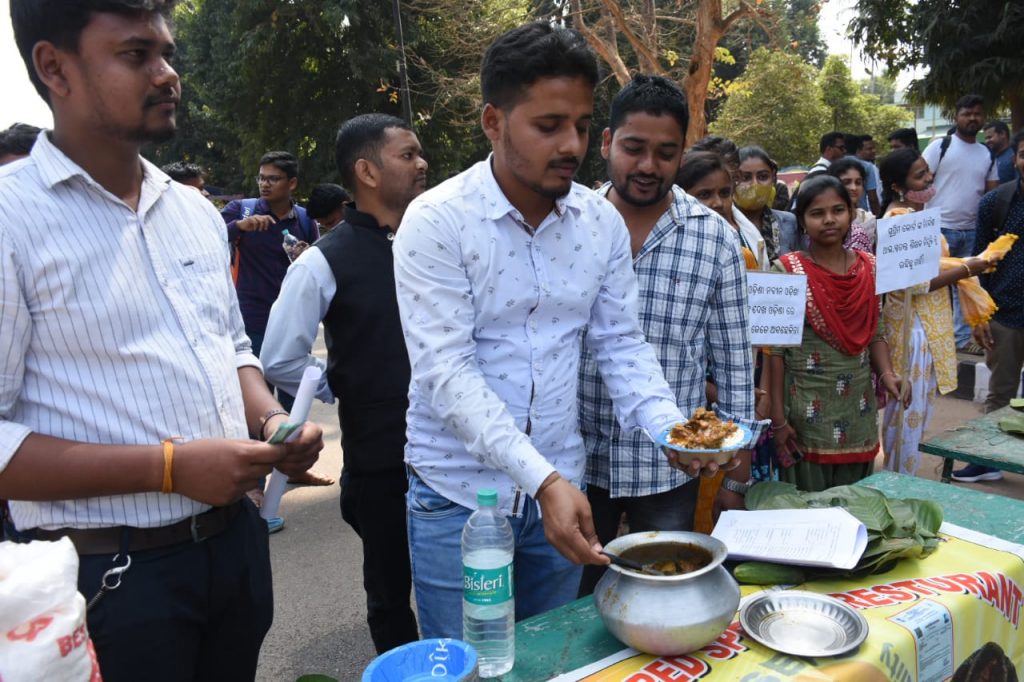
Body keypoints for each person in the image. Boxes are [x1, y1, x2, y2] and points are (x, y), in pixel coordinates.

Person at [2, 2, 324, 679]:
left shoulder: (192, 214)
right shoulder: (9, 219)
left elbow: (229, 344)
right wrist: (170, 468)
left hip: (231, 551)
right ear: (53, 67)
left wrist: (270, 422)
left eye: (167, 53)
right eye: (136, 55)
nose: (168, 74)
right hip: (110, 576)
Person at [393, 22, 705, 640]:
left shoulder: (599, 224)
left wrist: (674, 428)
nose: (572, 144)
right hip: (458, 496)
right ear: (492, 121)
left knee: (549, 660)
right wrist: (545, 480)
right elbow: (447, 374)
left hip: (560, 497)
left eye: (583, 126)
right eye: (548, 125)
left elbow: (621, 344)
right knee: (464, 666)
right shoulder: (437, 222)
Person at [577, 75, 760, 596]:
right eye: (634, 148)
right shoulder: (571, 222)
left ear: (682, 153)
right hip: (573, 455)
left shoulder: (715, 237)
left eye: (665, 152)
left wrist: (737, 463)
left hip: (666, 463)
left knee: (664, 588)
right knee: (573, 596)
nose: (647, 166)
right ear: (608, 142)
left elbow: (731, 355)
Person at [262, 114, 425, 653]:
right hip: (381, 462)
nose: (422, 164)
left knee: (460, 581)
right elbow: (280, 355)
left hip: (455, 455)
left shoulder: (431, 240)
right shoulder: (324, 261)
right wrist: (342, 383)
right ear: (367, 171)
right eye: (407, 155)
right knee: (389, 593)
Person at [768, 176, 904, 492]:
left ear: (851, 213)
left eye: (838, 210)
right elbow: (774, 352)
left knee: (856, 510)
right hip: (805, 416)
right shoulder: (785, 270)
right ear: (801, 221)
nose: (829, 220)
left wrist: (887, 375)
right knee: (810, 513)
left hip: (859, 412)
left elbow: (876, 332)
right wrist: (778, 421)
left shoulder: (870, 267)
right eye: (817, 213)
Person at [877, 148, 999, 477]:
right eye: (919, 175)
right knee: (905, 420)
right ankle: (898, 486)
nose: (929, 178)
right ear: (897, 185)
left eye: (928, 171)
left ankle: (904, 483)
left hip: (928, 328)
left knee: (917, 418)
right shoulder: (898, 220)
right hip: (911, 333)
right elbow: (915, 285)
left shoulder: (919, 215)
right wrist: (970, 266)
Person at [221, 151, 320, 406]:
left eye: (273, 179)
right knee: (258, 405)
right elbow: (205, 238)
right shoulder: (241, 211)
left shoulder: (306, 219)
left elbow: (319, 265)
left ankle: (295, 445)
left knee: (294, 404)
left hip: (294, 322)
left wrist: (307, 253)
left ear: (292, 183)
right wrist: (238, 227)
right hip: (252, 320)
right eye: (262, 178)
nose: (265, 184)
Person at [961, 130, 1024, 482]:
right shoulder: (995, 203)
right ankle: (987, 461)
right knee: (999, 394)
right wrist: (979, 315)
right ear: (1015, 159)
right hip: (1004, 314)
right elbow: (978, 263)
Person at [921, 94, 999, 353]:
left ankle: (959, 342)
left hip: (972, 230)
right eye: (967, 113)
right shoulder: (939, 146)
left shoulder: (986, 153)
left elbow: (991, 192)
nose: (972, 118)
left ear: (983, 117)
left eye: (977, 113)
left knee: (967, 286)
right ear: (956, 117)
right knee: (933, 286)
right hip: (939, 229)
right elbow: (919, 181)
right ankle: (929, 340)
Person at [679, 150, 768, 269]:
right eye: (705, 195)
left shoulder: (743, 252)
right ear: (681, 197)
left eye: (724, 193)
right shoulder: (669, 249)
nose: (718, 203)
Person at [735, 145, 799, 260]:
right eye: (745, 178)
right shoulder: (722, 224)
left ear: (773, 178)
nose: (755, 184)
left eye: (763, 177)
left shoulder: (788, 222)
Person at [827, 157, 877, 252]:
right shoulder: (828, 221)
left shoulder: (869, 220)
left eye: (858, 183)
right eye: (846, 182)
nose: (853, 188)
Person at [847, 133, 882, 215]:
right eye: (869, 149)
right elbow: (873, 198)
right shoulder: (868, 167)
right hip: (862, 217)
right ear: (859, 150)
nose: (873, 151)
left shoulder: (833, 165)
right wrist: (878, 220)